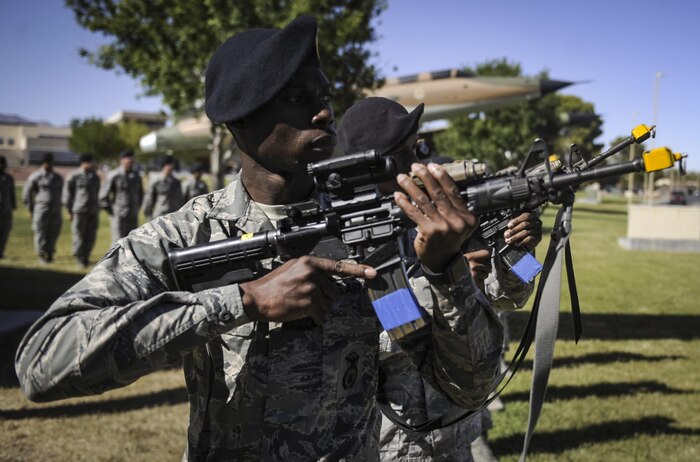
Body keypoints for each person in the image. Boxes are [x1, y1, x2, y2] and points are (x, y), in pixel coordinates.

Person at [15, 16, 503, 460]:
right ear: (240, 119)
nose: (323, 113)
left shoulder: (369, 232)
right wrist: (243, 300)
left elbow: (467, 386)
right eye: (297, 98)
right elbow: (42, 363)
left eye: (325, 96)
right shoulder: (189, 236)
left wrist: (445, 274)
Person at [338, 96, 541, 461]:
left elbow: (512, 297)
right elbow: (389, 331)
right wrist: (447, 279)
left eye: (416, 149)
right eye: (399, 155)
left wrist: (519, 251)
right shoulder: (349, 237)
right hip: (388, 443)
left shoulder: (437, 221)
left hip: (456, 431)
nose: (417, 163)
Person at [22, 153, 63, 263]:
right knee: (40, 232)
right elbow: (27, 194)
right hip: (41, 209)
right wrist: (30, 209)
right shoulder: (35, 176)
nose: (49, 165)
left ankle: (50, 253)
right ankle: (41, 254)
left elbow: (62, 192)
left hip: (55, 210)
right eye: (47, 163)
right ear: (43, 163)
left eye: (51, 163)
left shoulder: (57, 177)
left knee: (53, 232)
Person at [63, 153, 101, 268]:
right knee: (79, 236)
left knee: (90, 236)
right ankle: (79, 258)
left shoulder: (95, 176)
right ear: (83, 163)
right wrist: (68, 210)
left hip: (93, 210)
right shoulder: (74, 176)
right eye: (89, 162)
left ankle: (86, 257)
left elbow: (98, 191)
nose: (91, 164)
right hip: (79, 210)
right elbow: (67, 194)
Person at [99, 149, 144, 243]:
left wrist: (137, 207)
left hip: (132, 215)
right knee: (118, 242)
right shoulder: (114, 175)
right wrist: (111, 210)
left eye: (132, 159)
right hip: (119, 215)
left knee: (132, 241)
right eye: (128, 159)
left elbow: (140, 194)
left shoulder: (136, 176)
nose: (131, 161)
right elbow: (103, 195)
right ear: (121, 160)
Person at [143, 155, 184, 220]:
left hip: (174, 214)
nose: (170, 167)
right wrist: (147, 212)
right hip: (160, 214)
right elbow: (149, 198)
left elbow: (180, 199)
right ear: (163, 166)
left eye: (171, 165)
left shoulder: (176, 181)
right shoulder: (156, 180)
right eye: (168, 165)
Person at [0, 155, 17, 259]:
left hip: (6, 209)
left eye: (3, 163)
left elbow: (12, 193)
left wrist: (13, 205)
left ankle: (1, 252)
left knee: (5, 231)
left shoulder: (9, 178)